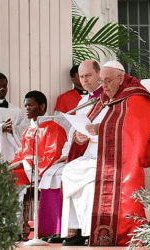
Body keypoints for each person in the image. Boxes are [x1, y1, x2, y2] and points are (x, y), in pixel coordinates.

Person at [63, 61, 150, 246]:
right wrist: (81, 136)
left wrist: (100, 130)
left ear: (121, 78)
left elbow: (134, 130)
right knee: (71, 169)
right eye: (101, 81)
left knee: (91, 173)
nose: (104, 86)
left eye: (108, 81)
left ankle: (94, 231)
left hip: (127, 157)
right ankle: (80, 230)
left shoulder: (138, 98)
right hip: (103, 154)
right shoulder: (106, 99)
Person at [60, 59, 107, 246]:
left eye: (88, 75)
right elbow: (74, 130)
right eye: (81, 77)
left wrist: (95, 133)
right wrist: (77, 138)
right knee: (70, 169)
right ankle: (75, 229)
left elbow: (115, 126)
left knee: (88, 181)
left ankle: (88, 231)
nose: (84, 81)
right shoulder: (82, 101)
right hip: (87, 152)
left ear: (99, 74)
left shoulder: (109, 99)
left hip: (103, 153)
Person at [9, 90, 67, 240]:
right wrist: (10, 165)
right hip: (26, 170)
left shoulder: (54, 128)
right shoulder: (29, 130)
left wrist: (24, 162)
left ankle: (15, 229)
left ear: (42, 106)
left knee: (6, 181)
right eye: (25, 105)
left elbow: (52, 157)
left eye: (30, 105)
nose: (27, 108)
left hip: (38, 173)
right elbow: (19, 155)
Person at [53, 65, 88, 133]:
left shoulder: (96, 95)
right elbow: (59, 121)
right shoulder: (64, 98)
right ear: (73, 79)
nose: (84, 79)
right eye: (80, 76)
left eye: (86, 75)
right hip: (74, 136)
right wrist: (80, 128)